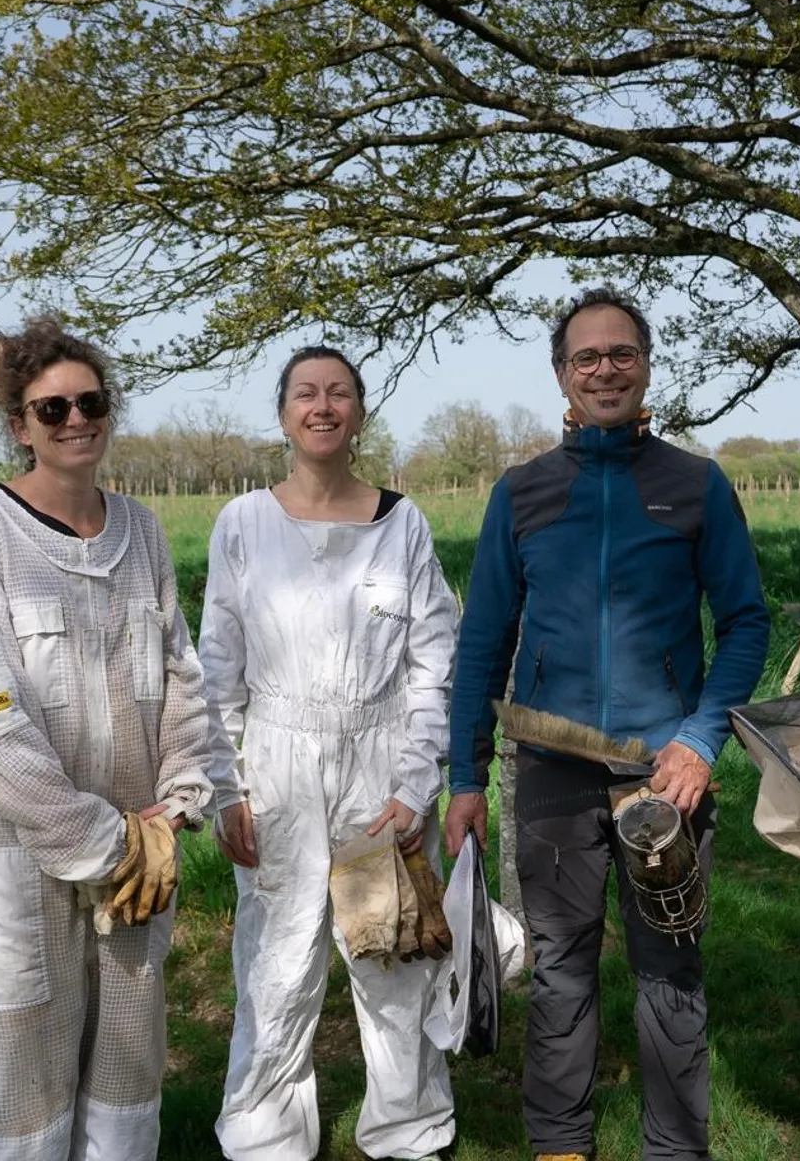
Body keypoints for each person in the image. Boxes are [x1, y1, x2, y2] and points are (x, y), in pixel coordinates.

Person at [444, 289, 772, 1161]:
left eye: (620, 353)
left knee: (670, 971)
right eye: (586, 357)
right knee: (559, 969)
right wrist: (466, 778)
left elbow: (745, 622)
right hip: (550, 768)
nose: (605, 369)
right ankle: (560, 1145)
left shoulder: (694, 485)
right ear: (562, 375)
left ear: (647, 365)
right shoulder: (522, 494)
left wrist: (702, 740)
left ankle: (675, 1149)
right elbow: (483, 644)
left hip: (663, 773)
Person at [0, 316, 215, 1159]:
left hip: (138, 853)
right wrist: (100, 841)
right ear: (20, 427)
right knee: (18, 1085)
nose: (76, 419)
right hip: (19, 862)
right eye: (52, 410)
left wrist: (183, 799)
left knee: (124, 1070)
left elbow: (182, 676)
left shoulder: (143, 532)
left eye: (91, 402)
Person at [199, 346, 458, 1161]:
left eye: (339, 393)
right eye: (305, 393)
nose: (322, 406)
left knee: (391, 949)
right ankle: (265, 1132)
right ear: (283, 415)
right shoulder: (243, 523)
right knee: (276, 959)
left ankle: (410, 1130)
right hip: (275, 763)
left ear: (360, 414)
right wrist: (223, 785)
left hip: (377, 762)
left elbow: (432, 661)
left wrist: (417, 784)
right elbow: (217, 666)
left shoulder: (401, 523)